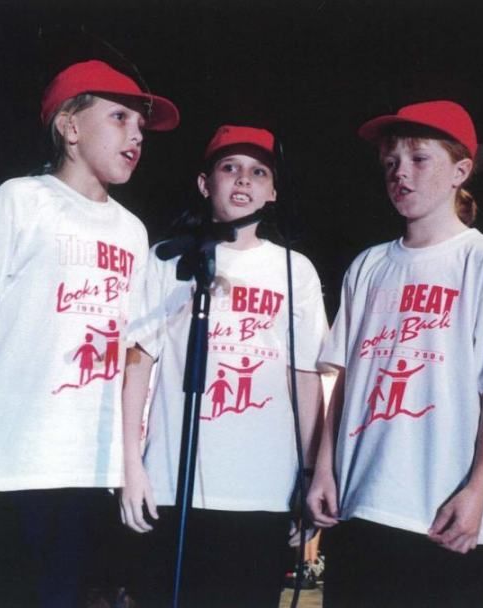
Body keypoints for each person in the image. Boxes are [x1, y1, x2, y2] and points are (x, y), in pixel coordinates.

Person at [0, 59, 179, 607]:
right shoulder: (20, 200)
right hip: (13, 463)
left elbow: (134, 350)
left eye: (140, 128)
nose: (135, 136)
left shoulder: (133, 232)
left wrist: (129, 460)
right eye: (119, 118)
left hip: (90, 468)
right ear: (70, 128)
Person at [306, 100, 483, 607]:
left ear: (461, 171)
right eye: (391, 162)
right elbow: (345, 381)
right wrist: (324, 469)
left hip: (440, 511)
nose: (401, 174)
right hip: (359, 501)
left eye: (419, 159)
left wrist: (478, 490)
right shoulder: (368, 266)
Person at [120, 125, 328, 607]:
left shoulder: (294, 269)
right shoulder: (169, 259)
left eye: (258, 172)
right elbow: (138, 361)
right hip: (173, 482)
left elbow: (304, 377)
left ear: (273, 191)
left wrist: (309, 473)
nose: (243, 180)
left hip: (261, 491)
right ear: (204, 182)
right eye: (229, 167)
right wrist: (132, 464)